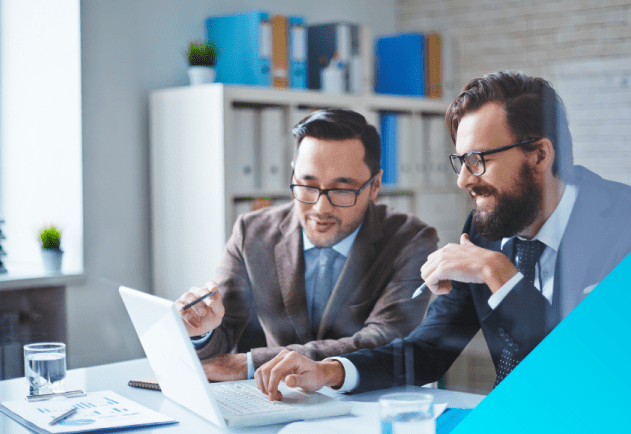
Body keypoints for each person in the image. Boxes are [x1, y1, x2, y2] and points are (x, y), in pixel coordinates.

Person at [253, 71, 631, 399]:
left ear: (540, 154)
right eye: (461, 161)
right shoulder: (488, 228)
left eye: (478, 160)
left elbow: (594, 378)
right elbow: (429, 350)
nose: (464, 181)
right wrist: (331, 371)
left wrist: (500, 275)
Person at [176, 108, 439, 381]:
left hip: (365, 401)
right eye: (307, 185)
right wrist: (201, 330)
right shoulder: (251, 233)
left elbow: (384, 340)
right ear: (293, 176)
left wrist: (251, 363)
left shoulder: (412, 240)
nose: (320, 207)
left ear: (375, 186)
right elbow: (224, 332)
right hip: (274, 400)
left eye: (341, 190)